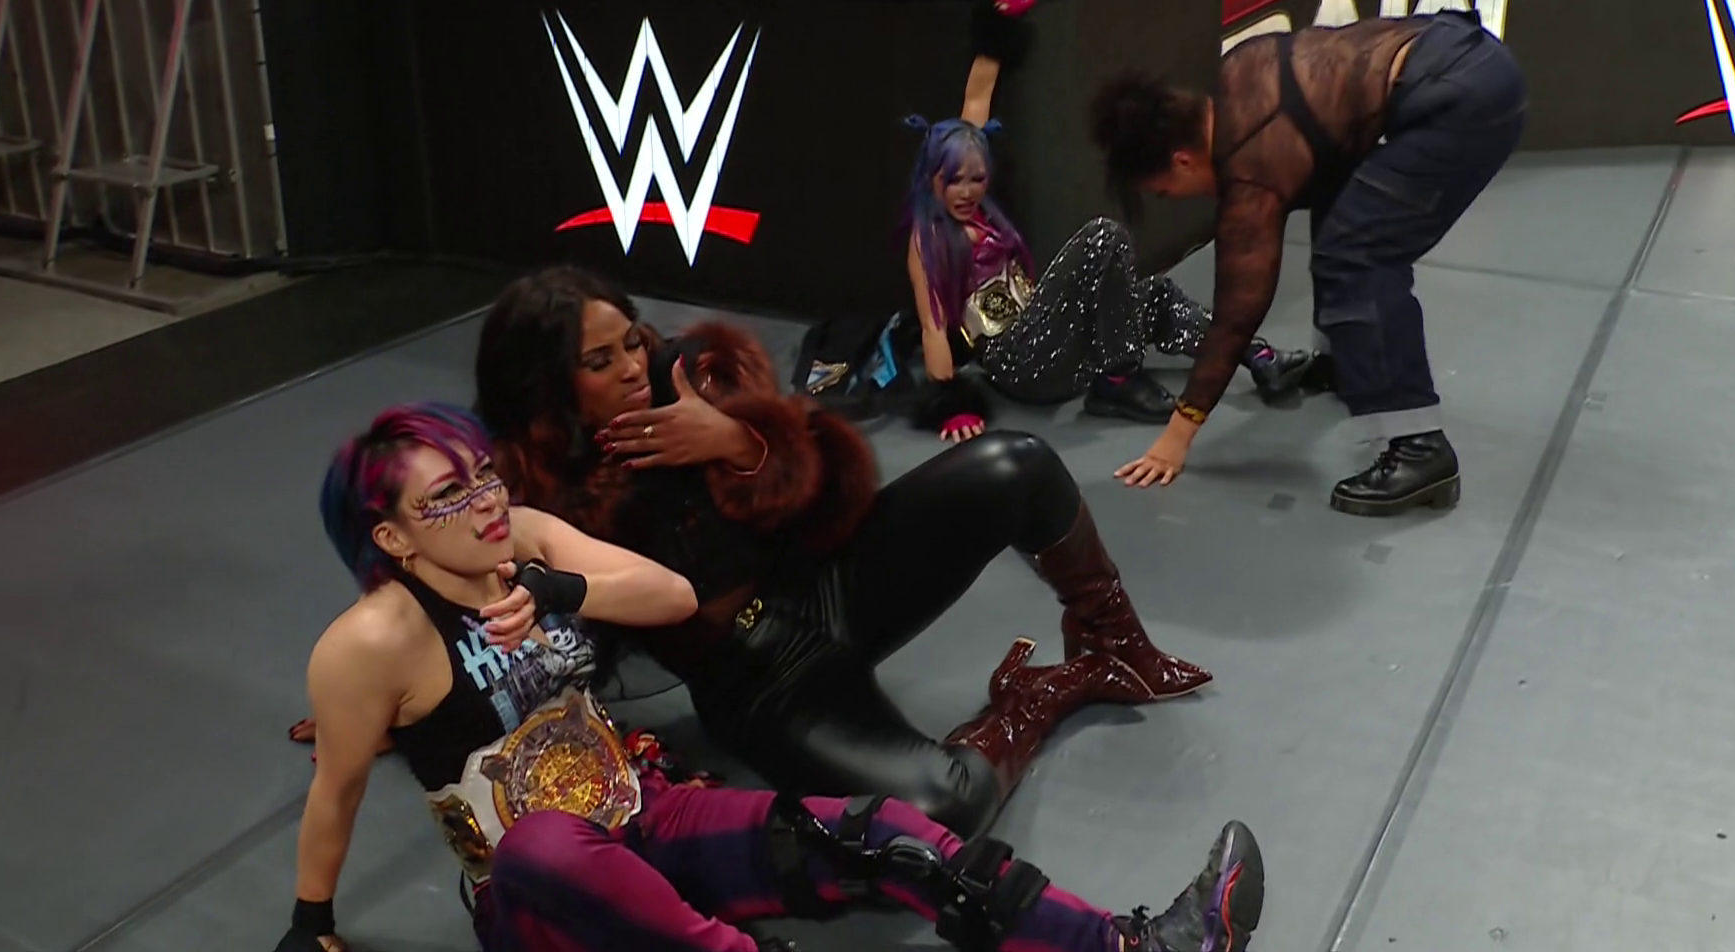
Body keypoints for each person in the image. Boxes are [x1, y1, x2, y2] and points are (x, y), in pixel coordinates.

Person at [271, 400, 1267, 952]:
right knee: (538, 845)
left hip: (643, 811)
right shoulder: (367, 646)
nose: (487, 502)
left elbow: (669, 596)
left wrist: (558, 585)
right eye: (451, 496)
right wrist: (310, 923)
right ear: (393, 538)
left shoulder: (523, 539)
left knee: (889, 837)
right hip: (540, 896)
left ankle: (1132, 949)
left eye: (485, 473)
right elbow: (338, 790)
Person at [1086, 9, 1527, 515]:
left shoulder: (1251, 164)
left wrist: (1177, 435)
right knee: (1343, 212)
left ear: (1182, 160)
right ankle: (1343, 363)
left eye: (1166, 191)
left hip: (1462, 100)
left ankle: (1420, 448)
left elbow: (1237, 315)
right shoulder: (1240, 70)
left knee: (1357, 254)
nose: (1179, 199)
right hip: (1461, 51)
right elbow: (1331, 163)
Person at [903, 116, 1315, 441]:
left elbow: (975, 110)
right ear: (930, 178)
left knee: (1155, 295)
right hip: (1018, 361)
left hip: (1047, 343)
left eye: (976, 179)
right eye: (953, 180)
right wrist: (950, 406)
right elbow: (932, 325)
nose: (966, 191)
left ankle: (1256, 356)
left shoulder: (983, 217)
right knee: (1103, 235)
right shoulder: (929, 239)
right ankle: (1118, 378)